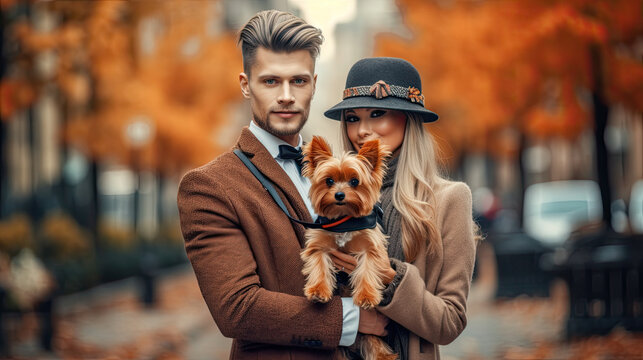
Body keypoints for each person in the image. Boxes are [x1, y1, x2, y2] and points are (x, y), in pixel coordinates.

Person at [177, 10, 387, 359]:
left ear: (314, 85)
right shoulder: (208, 187)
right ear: (246, 85)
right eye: (271, 81)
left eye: (299, 81)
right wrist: (354, 319)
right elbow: (238, 309)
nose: (287, 95)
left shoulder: (340, 170)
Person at [324, 57, 479, 360]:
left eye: (377, 114)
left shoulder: (449, 199)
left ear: (408, 118)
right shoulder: (331, 197)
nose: (362, 131)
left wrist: (389, 280)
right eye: (353, 118)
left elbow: (450, 322)